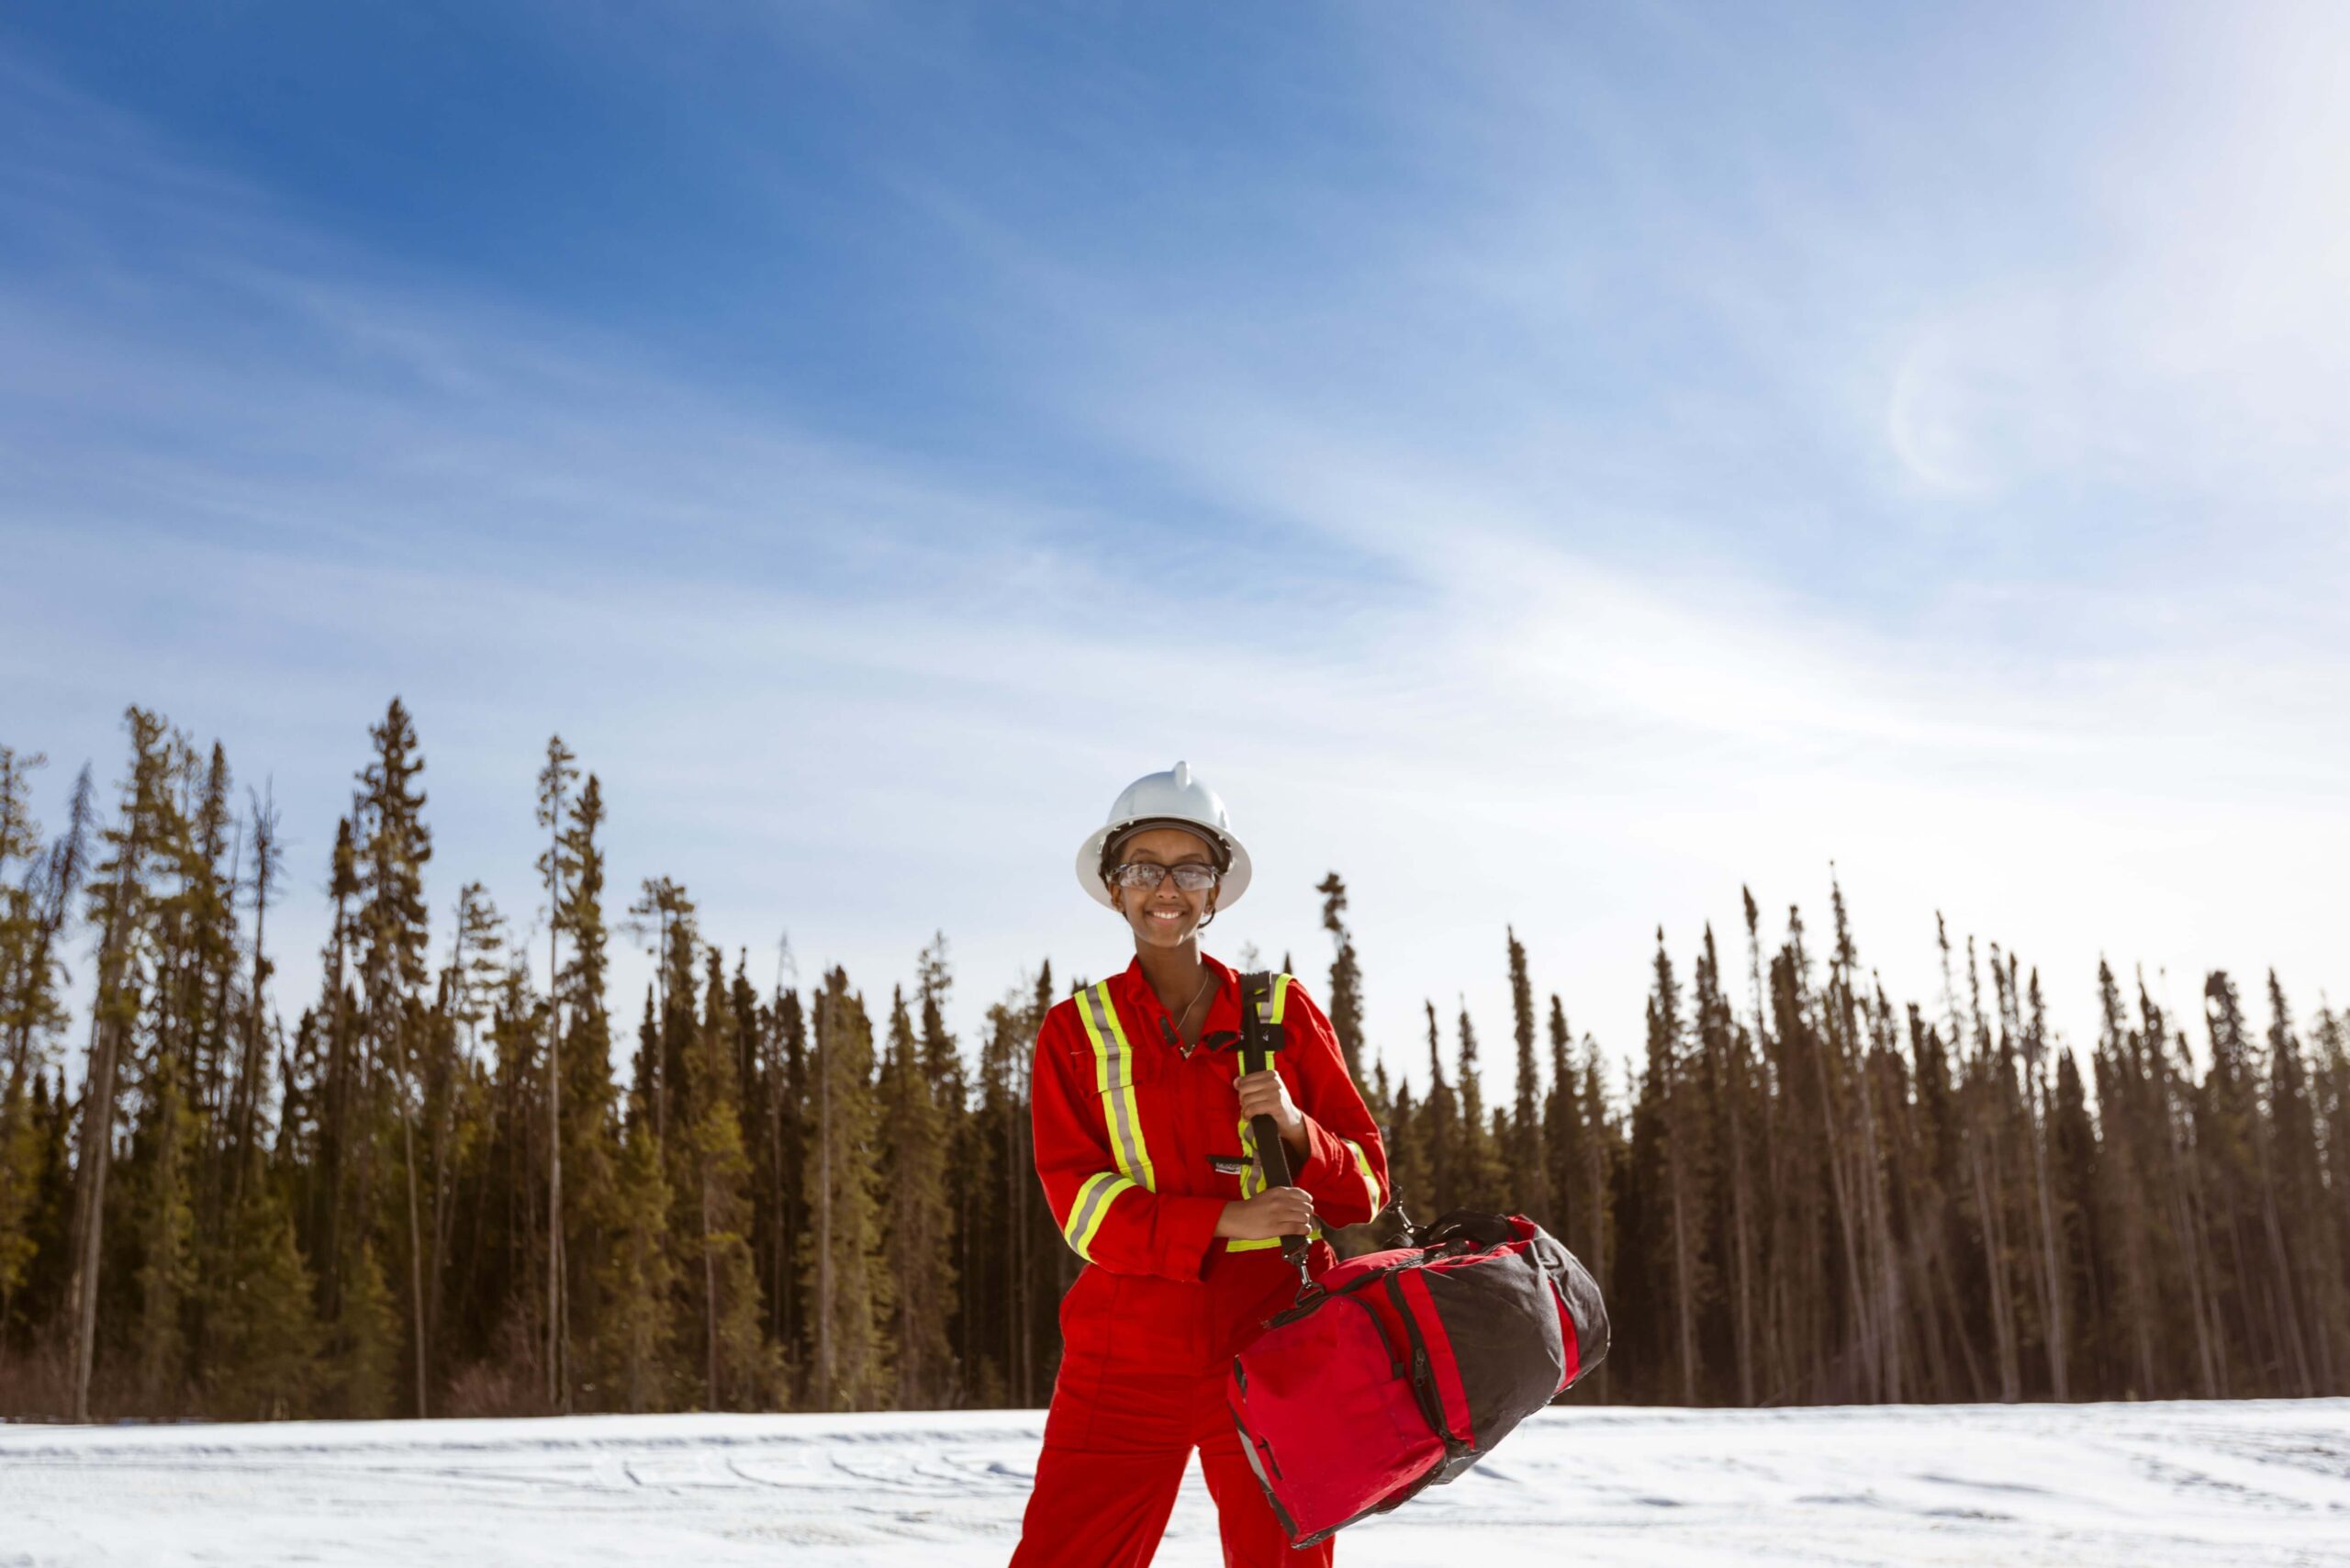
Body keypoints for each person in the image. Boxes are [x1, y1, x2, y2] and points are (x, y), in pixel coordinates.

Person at [1011, 763, 1390, 1568]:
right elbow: (1078, 1205)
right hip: (1126, 1338)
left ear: (1217, 891)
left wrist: (1292, 1124)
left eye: (1191, 870)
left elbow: (1367, 1189)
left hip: (1274, 1333)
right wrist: (1227, 1218)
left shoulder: (1281, 1011)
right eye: (1145, 869)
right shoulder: (1073, 1032)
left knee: (1282, 1559)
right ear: (1114, 888)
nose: (1167, 889)